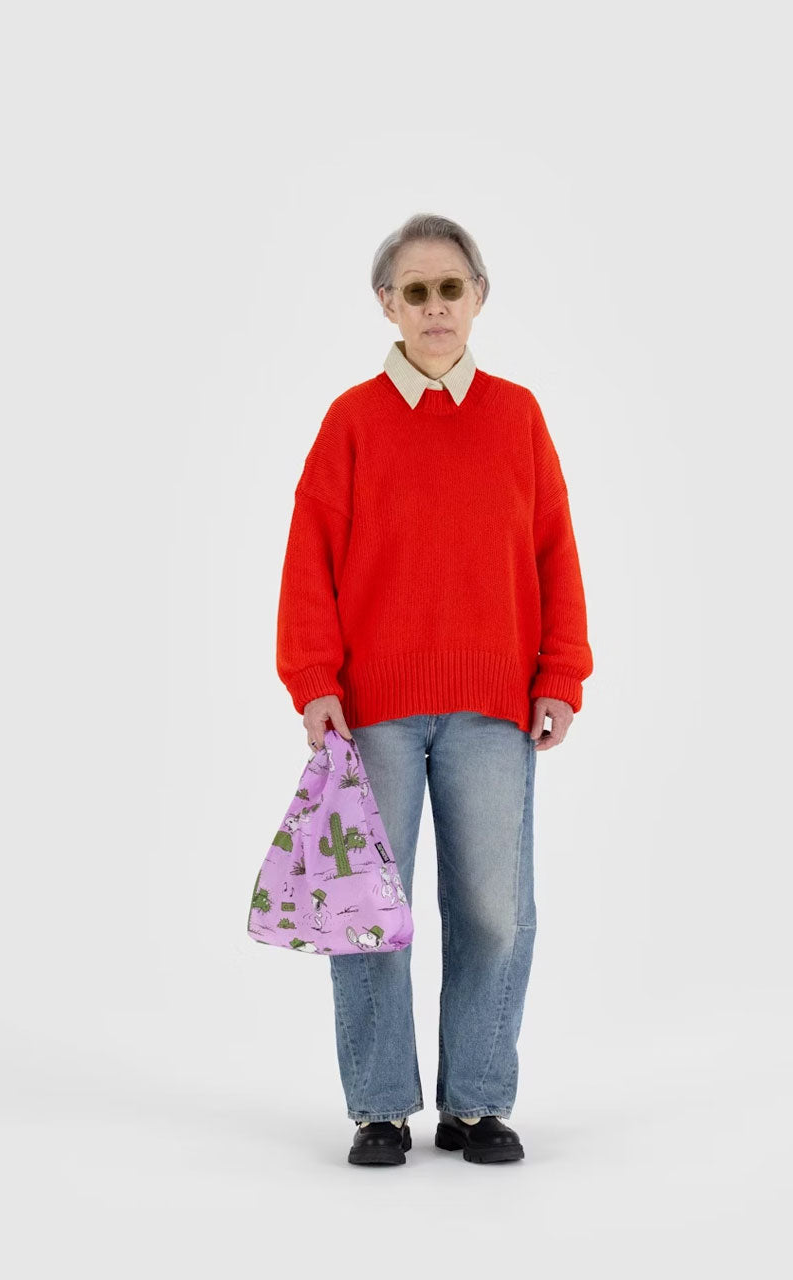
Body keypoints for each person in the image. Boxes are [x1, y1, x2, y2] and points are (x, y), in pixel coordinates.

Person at [275, 212, 594, 1165]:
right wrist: (314, 680)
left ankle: (476, 1103)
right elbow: (308, 556)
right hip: (371, 709)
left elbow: (555, 550)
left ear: (478, 296)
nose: (435, 306)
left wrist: (562, 672)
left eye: (450, 287)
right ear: (388, 304)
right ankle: (380, 1108)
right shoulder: (352, 421)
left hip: (494, 707)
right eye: (415, 291)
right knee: (370, 910)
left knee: (494, 909)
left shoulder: (518, 416)